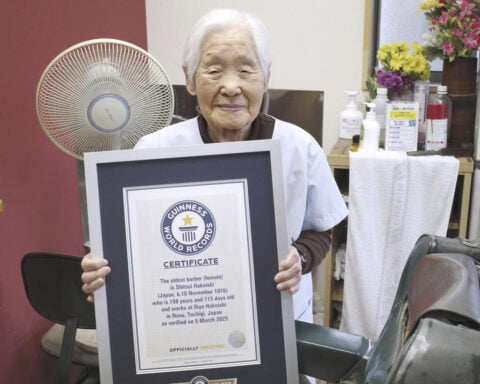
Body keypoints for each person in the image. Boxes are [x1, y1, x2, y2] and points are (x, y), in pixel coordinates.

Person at [81, 8, 348, 383]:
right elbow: (120, 245)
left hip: (276, 327)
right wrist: (99, 271)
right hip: (177, 334)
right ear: (190, 79)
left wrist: (300, 257)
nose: (231, 86)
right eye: (214, 69)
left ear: (266, 76)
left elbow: (322, 231)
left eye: (245, 69)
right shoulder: (152, 150)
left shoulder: (298, 146)